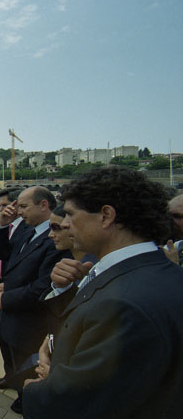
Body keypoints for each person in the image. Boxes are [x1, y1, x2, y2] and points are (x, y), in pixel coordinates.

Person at [22, 167, 183, 419]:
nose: (64, 224)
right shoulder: (161, 272)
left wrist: (33, 391)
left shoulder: (124, 305)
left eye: (71, 214)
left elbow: (81, 401)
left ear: (106, 216)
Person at [0, 186, 69, 414]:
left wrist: (7, 297)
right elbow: (4, 256)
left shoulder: (56, 239)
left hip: (30, 321)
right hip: (12, 313)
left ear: (43, 205)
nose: (18, 211)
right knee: (13, 359)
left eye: (24, 206)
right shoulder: (26, 230)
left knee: (29, 366)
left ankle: (26, 400)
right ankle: (13, 382)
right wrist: (3, 226)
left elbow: (43, 286)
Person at [0, 187, 27, 390]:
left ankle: (22, 385)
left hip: (12, 290)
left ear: (16, 206)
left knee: (16, 341)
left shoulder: (27, 229)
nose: (1, 210)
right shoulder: (3, 227)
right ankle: (9, 375)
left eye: (4, 205)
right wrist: (0, 228)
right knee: (2, 336)